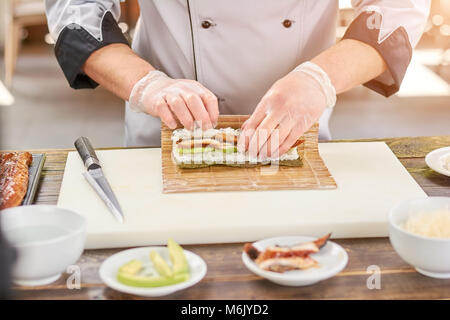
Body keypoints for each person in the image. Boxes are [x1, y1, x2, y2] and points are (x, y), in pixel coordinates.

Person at [45, 0, 430, 157]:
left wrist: (318, 80)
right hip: (166, 131)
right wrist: (149, 85)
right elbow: (77, 11)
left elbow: (398, 9)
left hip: (295, 134)